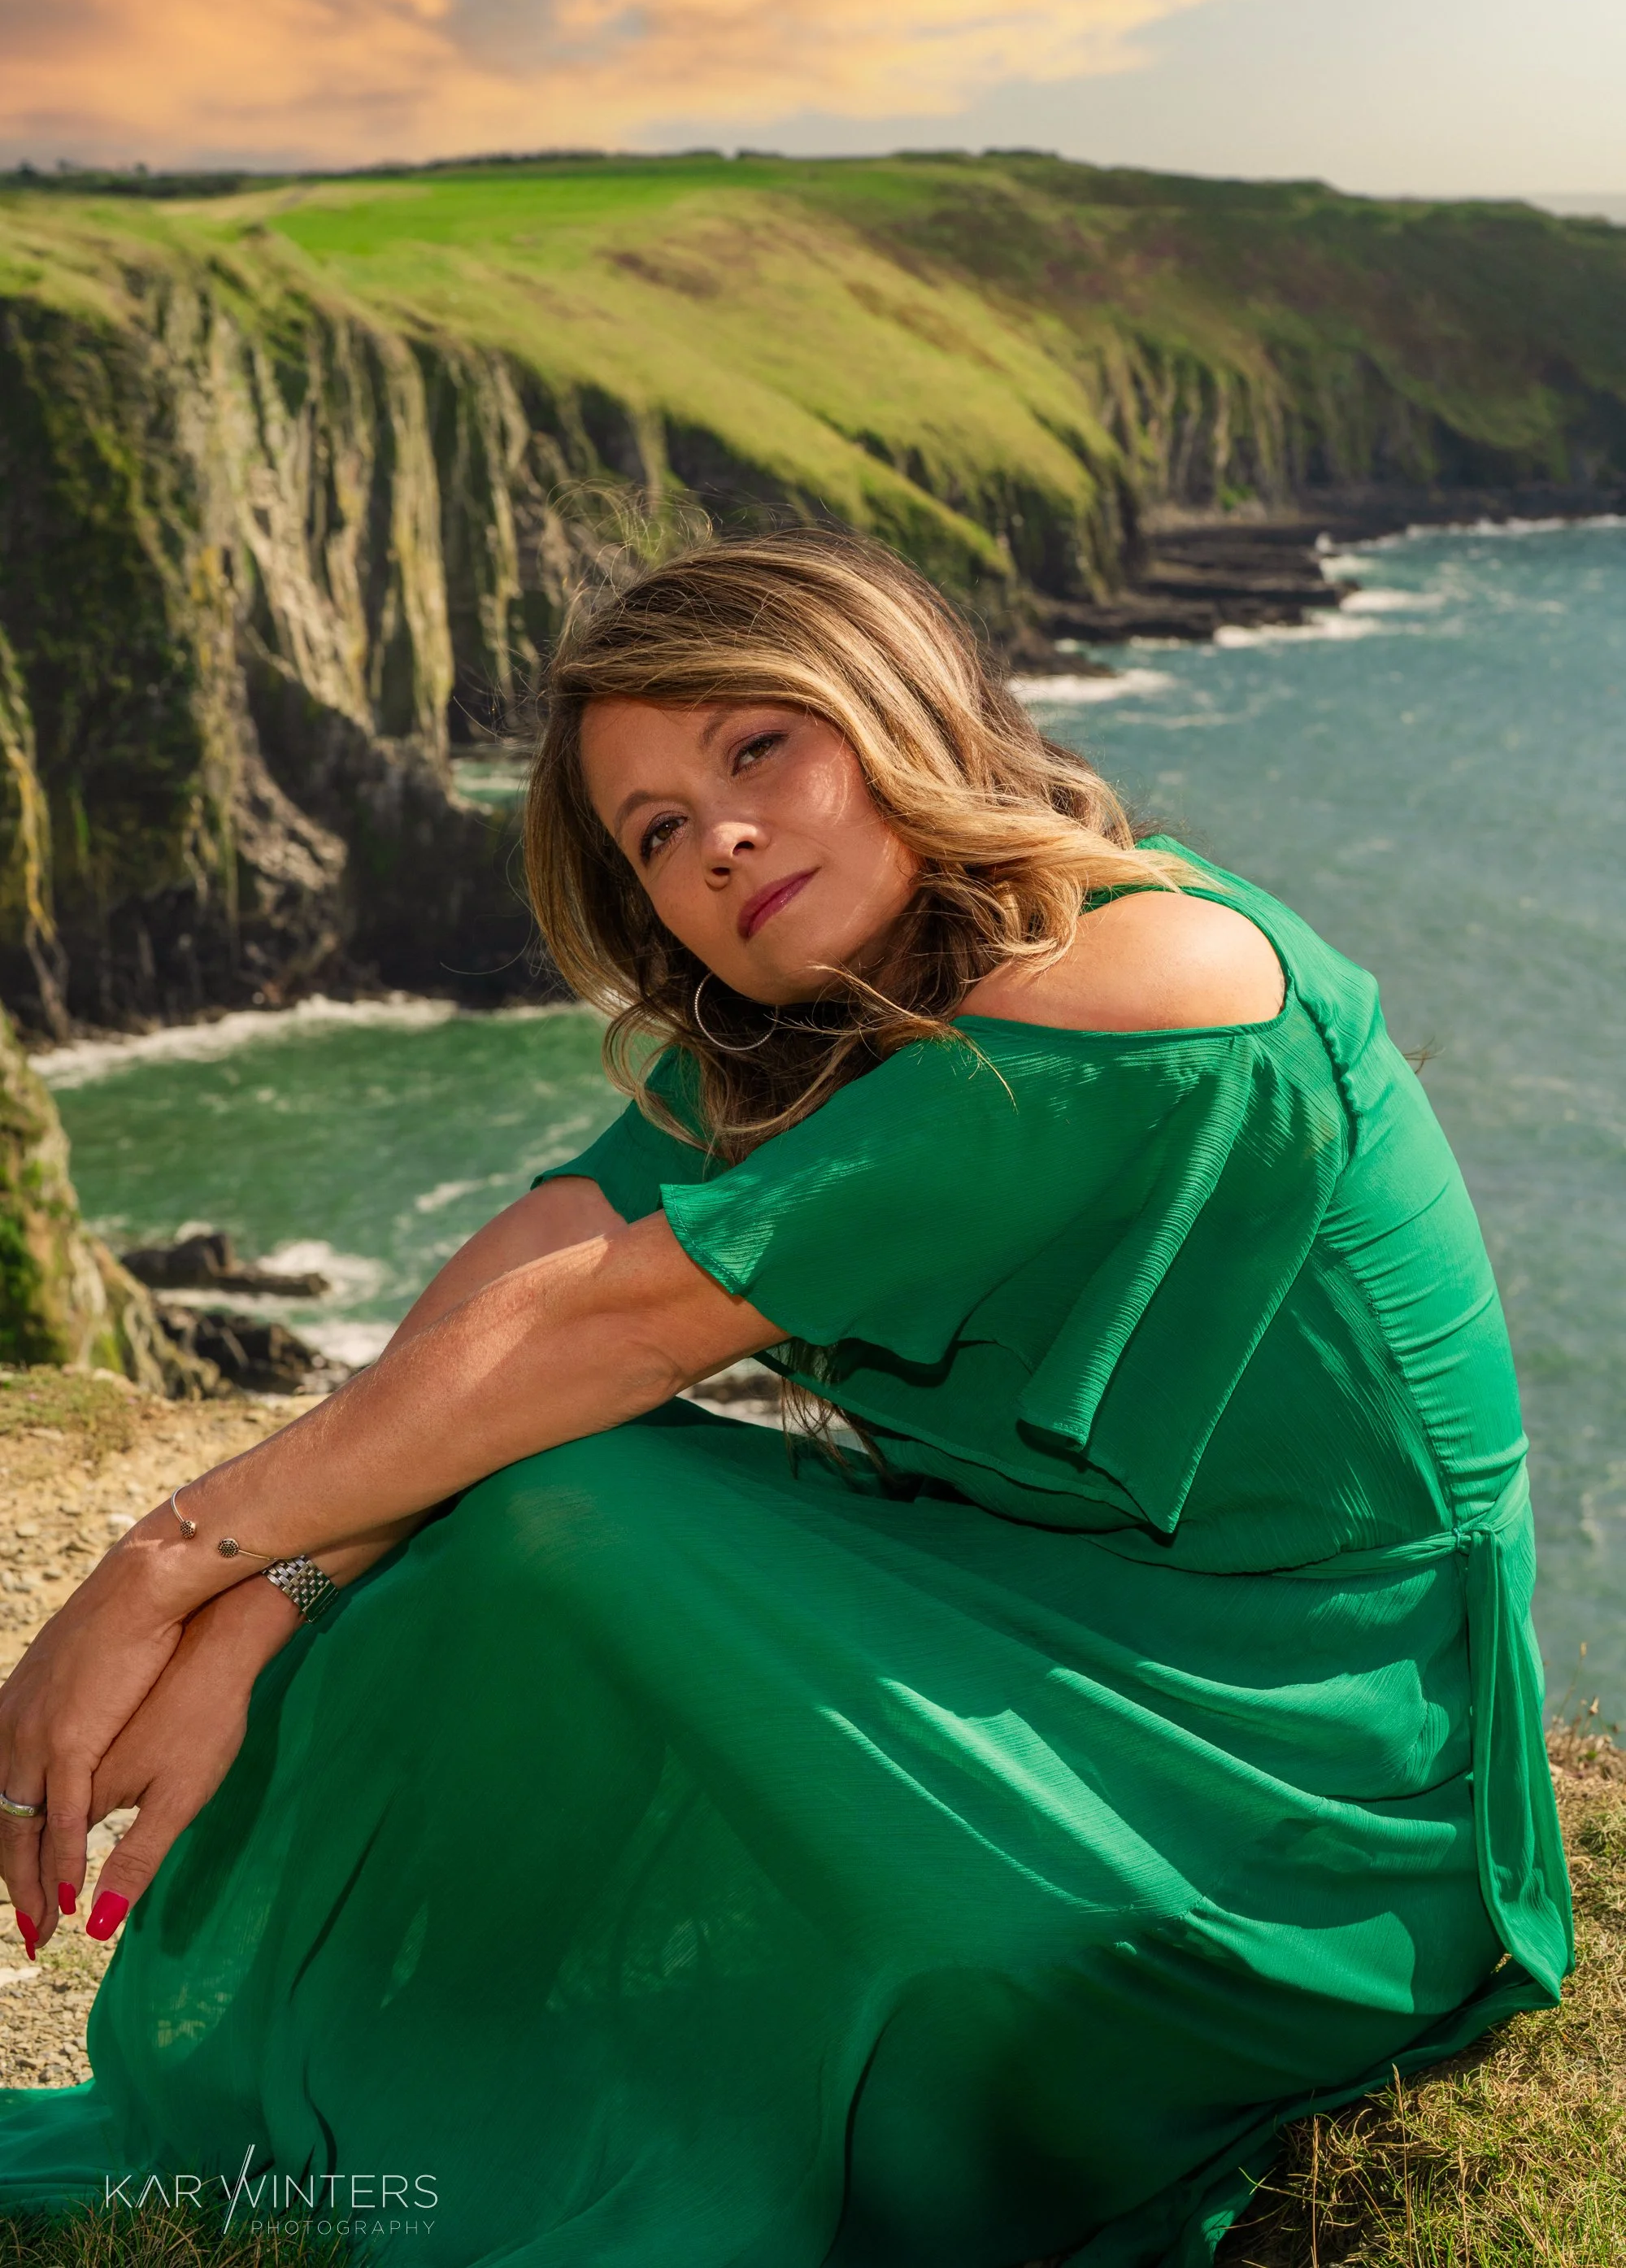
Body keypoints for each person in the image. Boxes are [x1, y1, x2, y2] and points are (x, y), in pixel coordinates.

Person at [0, 532, 1571, 2267]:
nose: (720, 839)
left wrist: (159, 1565)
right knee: (529, 1492)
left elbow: (615, 1323)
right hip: (1061, 1630)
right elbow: (537, 1259)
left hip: (1317, 1767)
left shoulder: (1145, 984)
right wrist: (257, 1607)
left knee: (559, 1488)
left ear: (898, 704)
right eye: (657, 831)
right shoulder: (834, 1027)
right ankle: (393, 2072)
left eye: (759, 747)